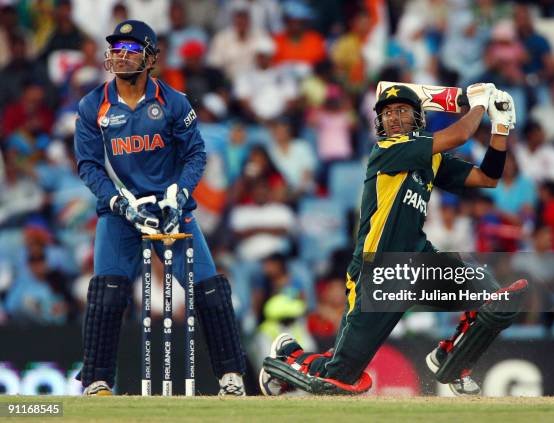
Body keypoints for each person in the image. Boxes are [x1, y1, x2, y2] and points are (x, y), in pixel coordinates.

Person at [259, 83, 528, 396]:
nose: (394, 118)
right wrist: (480, 105)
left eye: (402, 110)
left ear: (418, 117)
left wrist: (501, 125)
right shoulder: (389, 149)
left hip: (419, 259)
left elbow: (488, 177)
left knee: (494, 301)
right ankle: (289, 355)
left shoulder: (431, 158)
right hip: (379, 271)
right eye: (387, 113)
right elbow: (459, 136)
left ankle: (449, 357)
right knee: (342, 376)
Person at [73, 20, 247, 396]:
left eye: (131, 50)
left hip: (170, 210)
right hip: (122, 213)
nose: (121, 56)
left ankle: (231, 378)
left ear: (150, 58)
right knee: (109, 292)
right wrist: (117, 200)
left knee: (209, 290)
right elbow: (87, 164)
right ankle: (97, 381)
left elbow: (195, 154)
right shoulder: (93, 105)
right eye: (116, 49)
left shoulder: (173, 101)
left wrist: (178, 195)